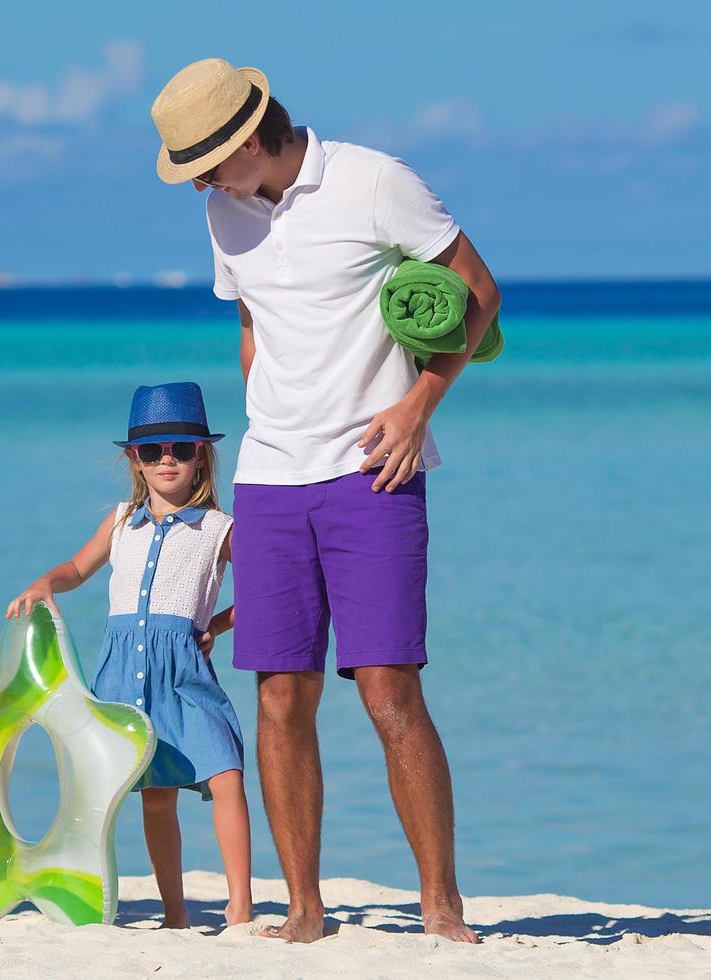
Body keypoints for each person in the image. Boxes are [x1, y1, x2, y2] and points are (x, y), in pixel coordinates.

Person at [149, 58, 501, 943]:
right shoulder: (221, 210)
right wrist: (260, 424)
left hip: (371, 473)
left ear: (252, 136)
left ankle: (441, 904)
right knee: (278, 695)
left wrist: (419, 404)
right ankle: (303, 909)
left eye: (208, 162)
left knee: (388, 690)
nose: (199, 179)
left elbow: (481, 297)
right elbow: (251, 321)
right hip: (269, 479)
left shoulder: (373, 180)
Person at [7, 382, 254, 930]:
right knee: (155, 794)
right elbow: (75, 569)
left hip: (186, 674)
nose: (167, 459)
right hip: (123, 674)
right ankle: (174, 912)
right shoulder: (120, 521)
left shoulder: (220, 529)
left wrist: (215, 624)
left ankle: (240, 906)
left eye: (181, 449)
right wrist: (45, 583)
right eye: (153, 450)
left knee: (226, 774)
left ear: (201, 457)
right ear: (134, 459)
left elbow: (267, 588)